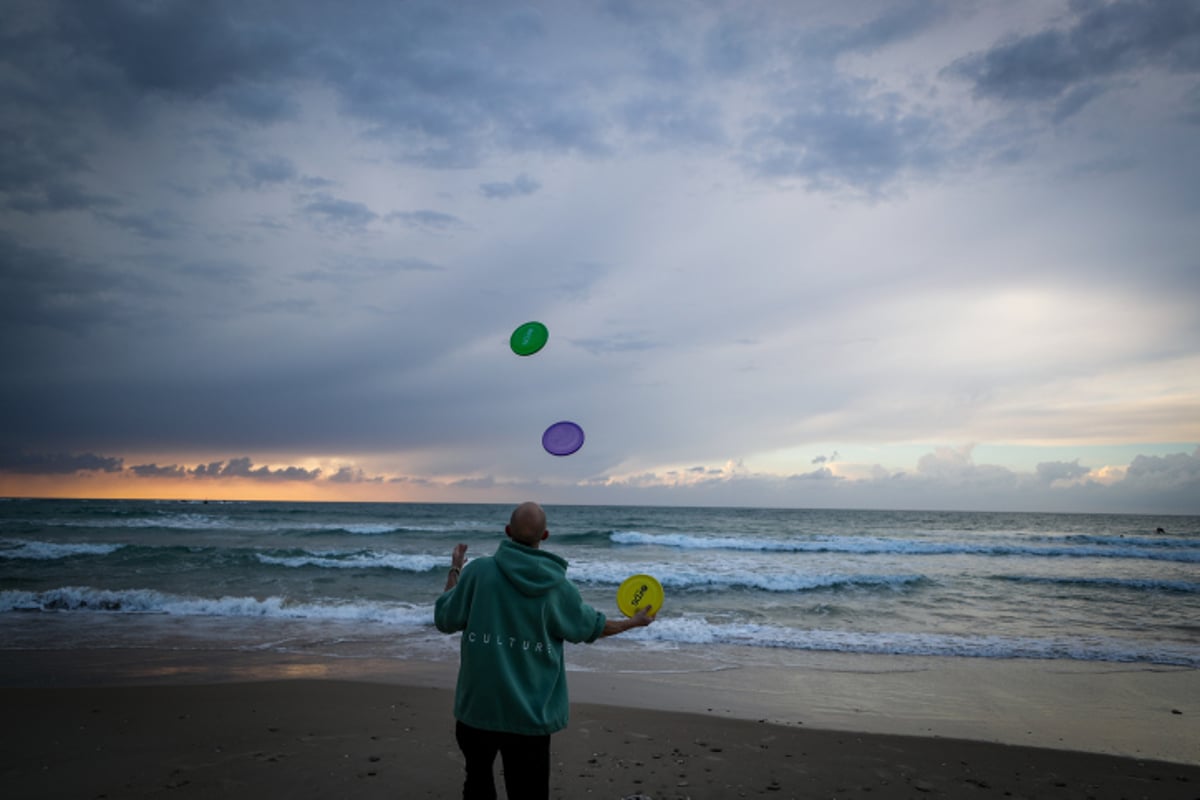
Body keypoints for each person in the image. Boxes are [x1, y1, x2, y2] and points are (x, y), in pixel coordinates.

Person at [434, 501, 655, 799]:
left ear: (508, 531)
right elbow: (593, 627)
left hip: (477, 710)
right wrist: (634, 622)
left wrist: (457, 567)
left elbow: (445, 617)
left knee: (477, 784)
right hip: (531, 716)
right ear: (546, 535)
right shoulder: (558, 588)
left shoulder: (478, 573)